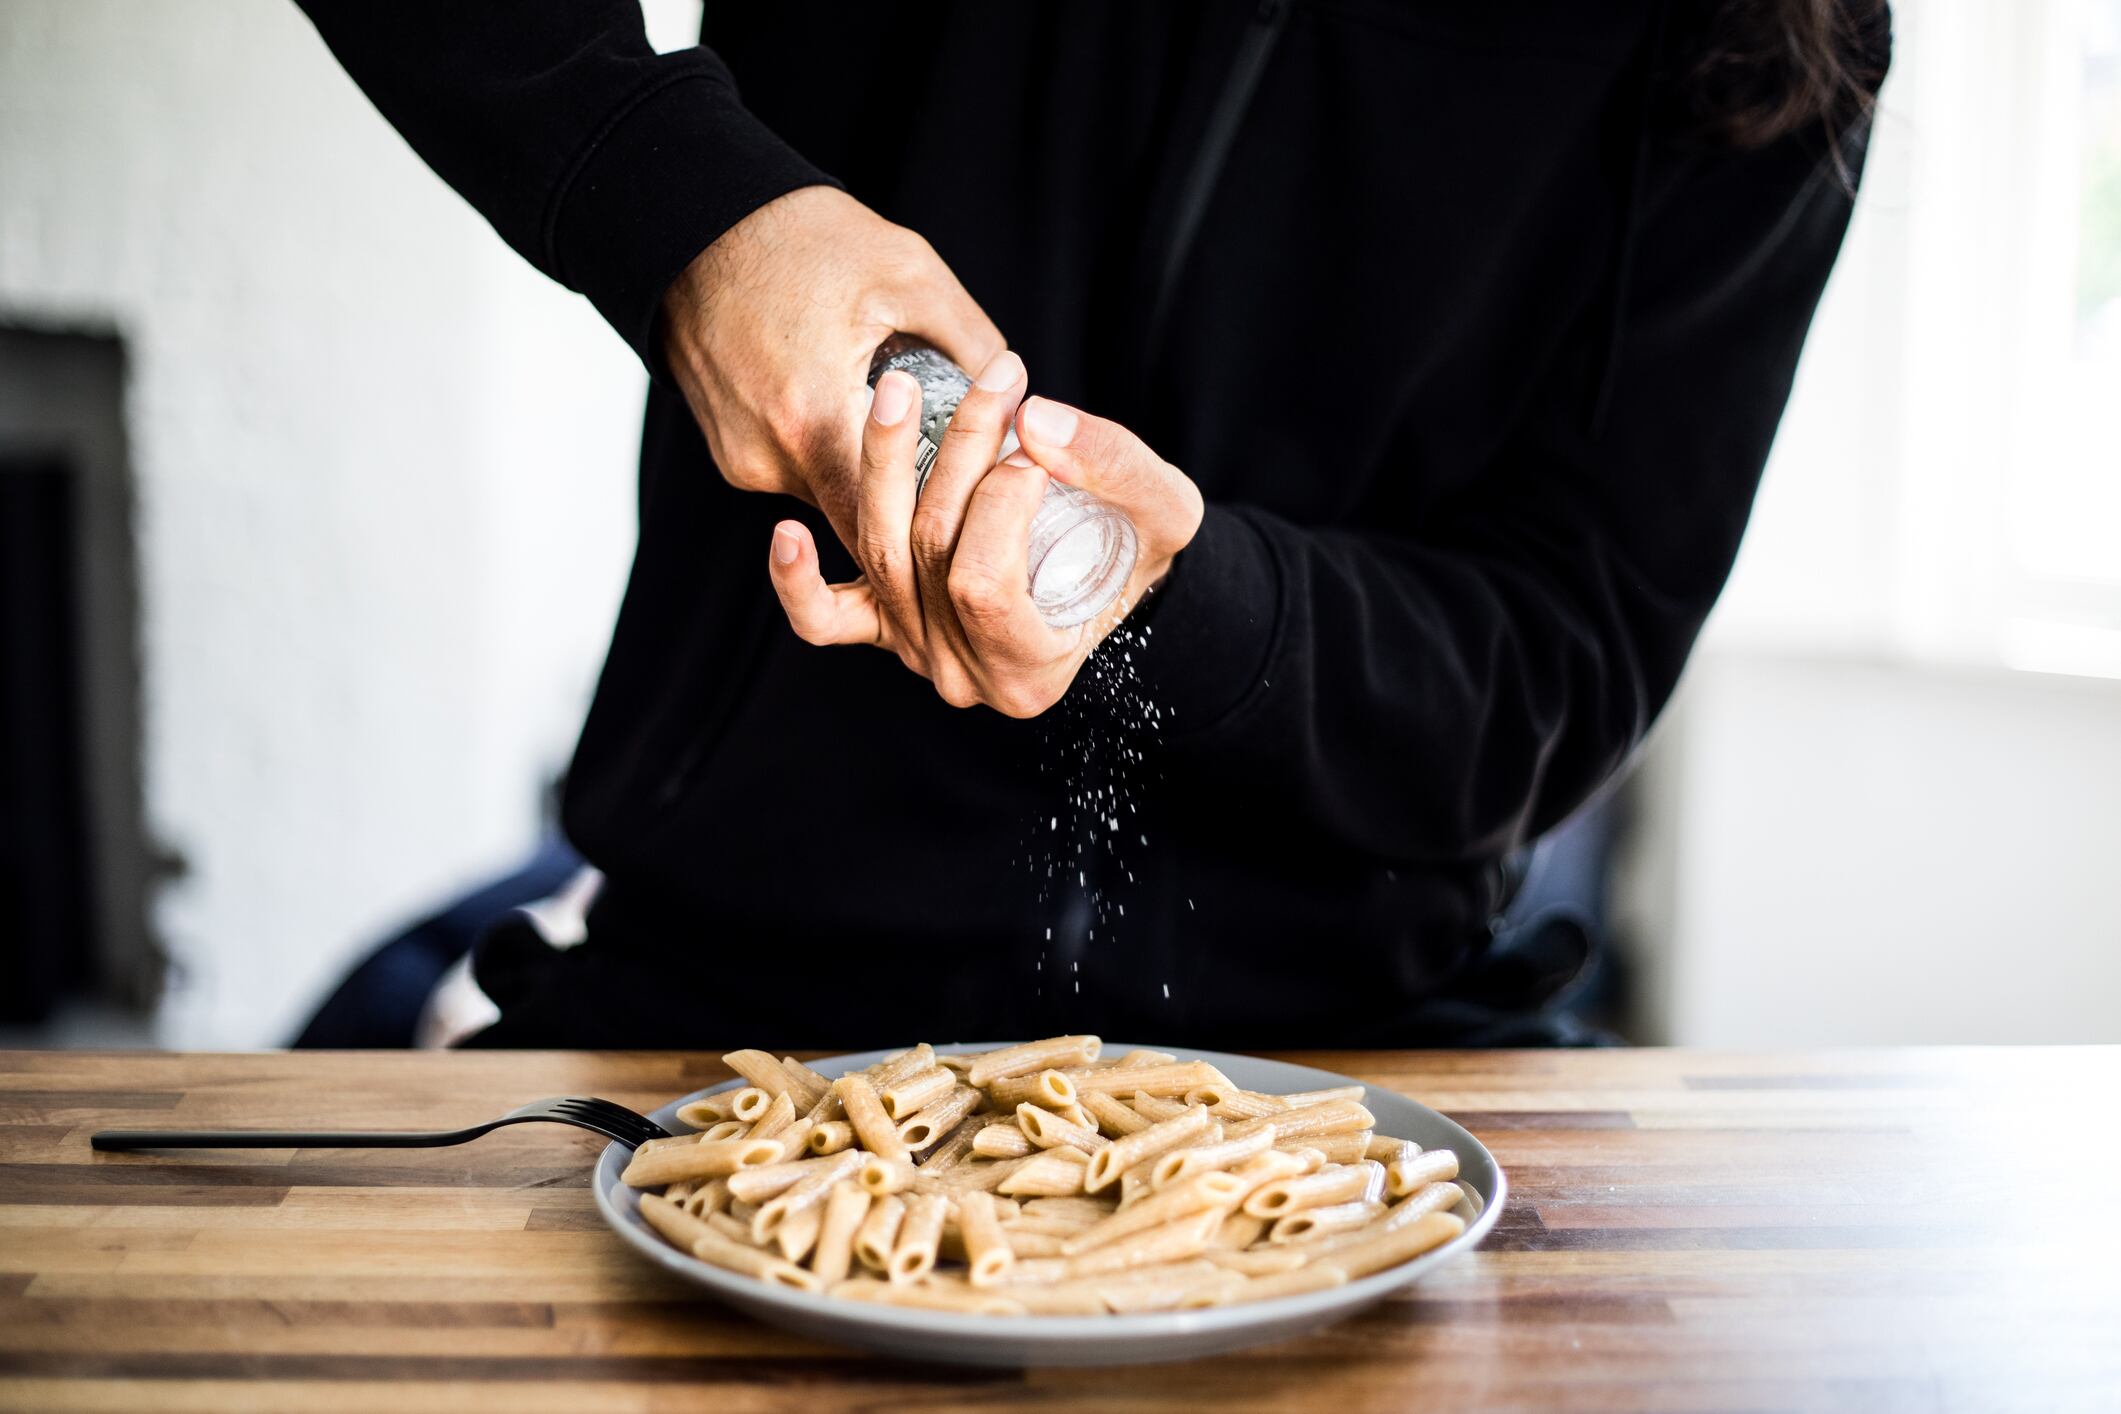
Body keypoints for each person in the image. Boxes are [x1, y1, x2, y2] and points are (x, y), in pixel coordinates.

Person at [293, 1, 1889, 1048]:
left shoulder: (1774, 42)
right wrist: (670, 201)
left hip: (1345, 1046)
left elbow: (1558, 658)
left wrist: (1183, 600)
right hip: (721, 991)